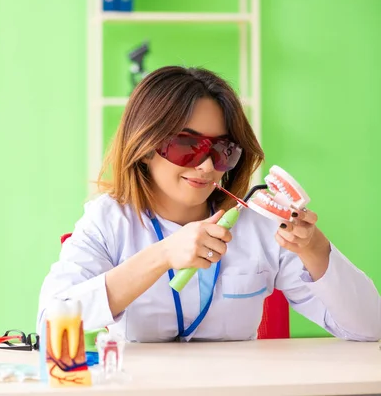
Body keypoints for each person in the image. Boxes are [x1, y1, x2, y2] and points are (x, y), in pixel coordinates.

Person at [36, 66, 381, 342]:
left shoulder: (259, 225)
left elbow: (370, 328)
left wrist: (315, 248)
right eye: (187, 144)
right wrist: (163, 255)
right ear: (144, 146)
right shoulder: (108, 220)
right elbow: (51, 323)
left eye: (221, 150)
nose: (204, 166)